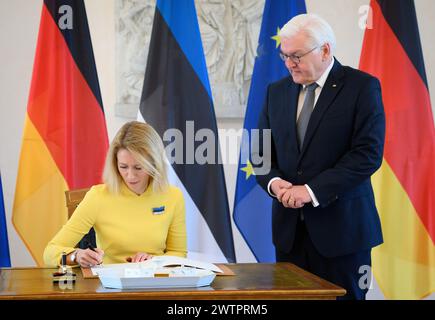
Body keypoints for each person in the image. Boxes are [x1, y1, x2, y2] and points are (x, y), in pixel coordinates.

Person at [255, 14, 385, 300]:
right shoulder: (275, 92)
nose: (289, 63)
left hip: (343, 235)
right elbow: (260, 154)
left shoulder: (362, 87)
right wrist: (275, 183)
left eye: (297, 56)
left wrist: (311, 191)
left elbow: (368, 155)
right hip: (290, 235)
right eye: (284, 56)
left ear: (325, 50)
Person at [44, 121, 187, 267]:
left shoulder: (173, 196)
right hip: (109, 285)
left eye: (138, 167)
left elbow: (179, 253)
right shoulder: (98, 197)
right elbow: (50, 253)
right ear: (114, 163)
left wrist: (154, 261)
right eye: (123, 166)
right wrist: (76, 256)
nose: (130, 176)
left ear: (154, 164)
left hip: (156, 281)